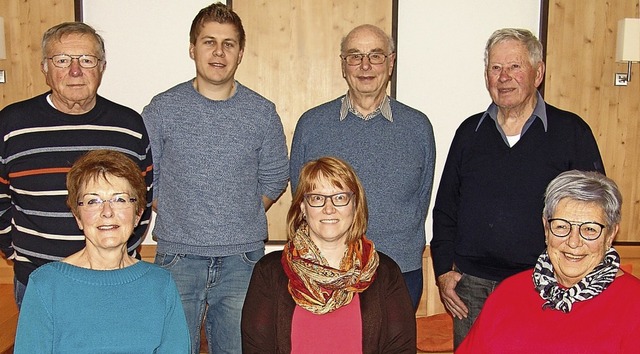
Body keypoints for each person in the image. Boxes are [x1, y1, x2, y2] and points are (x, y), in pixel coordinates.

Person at [431, 28, 606, 349]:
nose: (503, 77)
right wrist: (443, 271)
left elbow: (596, 212)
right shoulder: (469, 133)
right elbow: (445, 208)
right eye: (495, 68)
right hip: (472, 287)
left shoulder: (571, 132)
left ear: (538, 73)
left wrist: (575, 276)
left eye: (514, 67)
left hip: (545, 284)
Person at [141, 3, 289, 353]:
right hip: (177, 256)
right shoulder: (163, 108)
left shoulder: (261, 112)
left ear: (240, 53)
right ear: (192, 49)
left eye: (229, 43)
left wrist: (241, 213)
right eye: (209, 42)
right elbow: (145, 175)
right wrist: (176, 211)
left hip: (244, 259)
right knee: (173, 348)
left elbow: (275, 175)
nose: (218, 52)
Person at [0, 22, 153, 309]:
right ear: (45, 67)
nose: (75, 70)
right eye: (62, 60)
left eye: (86, 60)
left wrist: (124, 251)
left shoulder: (129, 126)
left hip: (115, 279)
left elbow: (143, 197)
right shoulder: (11, 124)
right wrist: (12, 249)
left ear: (102, 67)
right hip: (39, 278)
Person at [290, 24, 435, 310]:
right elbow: (303, 198)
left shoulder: (418, 127)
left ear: (391, 62)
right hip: (328, 274)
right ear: (343, 66)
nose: (365, 66)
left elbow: (421, 199)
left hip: (399, 271)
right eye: (355, 56)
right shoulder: (312, 125)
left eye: (376, 55)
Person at [13, 150, 189, 353]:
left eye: (120, 199)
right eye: (93, 201)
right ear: (78, 216)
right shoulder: (46, 285)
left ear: (138, 213)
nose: (107, 212)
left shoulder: (160, 284)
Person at [242, 156, 416, 353]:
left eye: (340, 197)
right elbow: (256, 348)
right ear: (303, 208)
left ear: (354, 205)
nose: (329, 208)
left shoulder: (385, 272)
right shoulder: (270, 272)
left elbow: (401, 349)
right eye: (317, 198)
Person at [457, 170, 640, 352]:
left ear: (610, 235)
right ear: (546, 228)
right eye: (561, 226)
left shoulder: (634, 304)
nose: (573, 242)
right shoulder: (508, 292)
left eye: (590, 230)